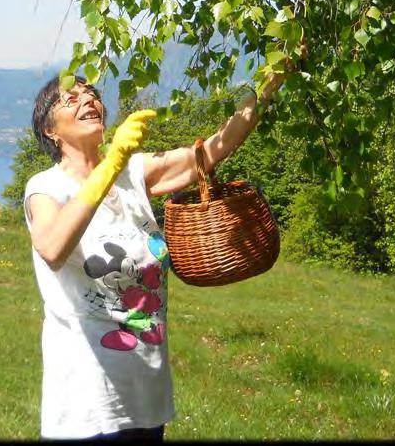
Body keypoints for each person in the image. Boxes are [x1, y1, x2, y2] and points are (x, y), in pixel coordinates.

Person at [24, 54, 304, 441]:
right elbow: (52, 247)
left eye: (91, 93)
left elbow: (212, 150)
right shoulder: (46, 188)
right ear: (50, 129)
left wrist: (268, 84)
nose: (88, 99)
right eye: (70, 99)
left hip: (147, 393)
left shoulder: (134, 173)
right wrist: (109, 165)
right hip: (87, 403)